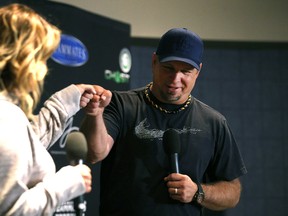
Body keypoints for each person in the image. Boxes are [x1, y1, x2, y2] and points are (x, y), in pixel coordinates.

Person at [81, 28, 247, 216]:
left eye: (186, 71)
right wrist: (94, 114)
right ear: (154, 62)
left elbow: (233, 192)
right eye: (169, 68)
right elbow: (94, 154)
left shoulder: (214, 122)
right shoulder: (121, 105)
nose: (176, 79)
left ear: (198, 72)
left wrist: (197, 192)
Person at [0, 3, 94, 215]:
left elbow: (22, 151)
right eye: (41, 58)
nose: (43, 69)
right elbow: (11, 211)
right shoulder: (6, 116)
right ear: (24, 59)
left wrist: (65, 102)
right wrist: (68, 182)